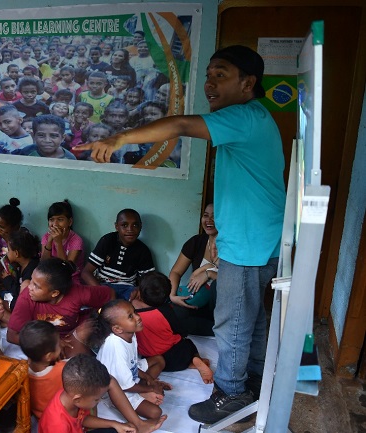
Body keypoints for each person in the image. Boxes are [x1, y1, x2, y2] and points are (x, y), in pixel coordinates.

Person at [77, 45, 285, 424]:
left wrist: (119, 139)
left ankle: (231, 394)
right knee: (251, 319)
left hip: (248, 246)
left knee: (232, 322)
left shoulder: (244, 116)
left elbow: (181, 125)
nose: (209, 84)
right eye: (208, 75)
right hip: (259, 241)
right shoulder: (254, 118)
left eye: (220, 75)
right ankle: (252, 380)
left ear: (248, 83)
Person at [7, 258, 114, 358]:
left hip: (74, 334)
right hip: (44, 339)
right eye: (31, 280)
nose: (29, 287)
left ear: (54, 293)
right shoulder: (27, 297)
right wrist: (50, 343)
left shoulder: (78, 293)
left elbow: (110, 294)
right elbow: (12, 336)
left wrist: (98, 319)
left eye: (36, 286)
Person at [38, 354, 167, 433]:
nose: (99, 401)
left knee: (121, 430)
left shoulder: (72, 398)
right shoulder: (57, 425)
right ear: (77, 399)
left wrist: (115, 424)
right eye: (96, 399)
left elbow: (82, 419)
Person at [89, 300, 167, 422]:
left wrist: (149, 379)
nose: (138, 317)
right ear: (117, 329)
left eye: (134, 312)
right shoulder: (116, 346)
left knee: (158, 360)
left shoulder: (129, 333)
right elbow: (124, 386)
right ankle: (139, 392)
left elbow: (132, 363)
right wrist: (151, 388)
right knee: (155, 413)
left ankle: (141, 389)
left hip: (127, 376)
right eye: (130, 316)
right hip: (115, 391)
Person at [133, 272, 213, 384]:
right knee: (188, 343)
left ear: (140, 293)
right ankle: (195, 359)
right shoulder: (166, 311)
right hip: (176, 357)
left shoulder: (131, 312)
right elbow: (181, 331)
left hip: (152, 360)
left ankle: (192, 363)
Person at [81, 209, 155, 301]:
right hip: (102, 285)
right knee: (84, 299)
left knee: (139, 303)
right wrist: (102, 292)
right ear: (116, 226)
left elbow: (148, 281)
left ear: (141, 227)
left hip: (127, 289)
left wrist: (138, 290)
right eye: (124, 225)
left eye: (135, 225)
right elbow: (86, 272)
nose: (130, 229)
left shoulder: (143, 250)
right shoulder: (107, 241)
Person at [168, 203, 218, 336]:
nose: (209, 220)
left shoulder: (232, 247)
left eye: (214, 216)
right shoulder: (196, 242)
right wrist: (173, 296)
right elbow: (176, 272)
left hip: (218, 308)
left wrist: (208, 274)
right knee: (175, 314)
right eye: (206, 215)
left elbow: (233, 281)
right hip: (195, 301)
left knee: (216, 286)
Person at [41, 200, 83, 283]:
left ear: (70, 222)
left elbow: (66, 270)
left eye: (60, 220)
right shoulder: (46, 237)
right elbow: (43, 264)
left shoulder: (76, 240)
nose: (55, 224)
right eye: (51, 220)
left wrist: (58, 243)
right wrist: (49, 241)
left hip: (70, 279)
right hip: (50, 277)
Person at [2, 229, 39, 306]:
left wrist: (7, 280)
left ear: (16, 253)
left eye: (8, 250)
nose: (7, 253)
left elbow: (21, 292)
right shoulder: (21, 264)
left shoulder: (31, 272)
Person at [0, 197, 24, 280]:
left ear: (15, 227)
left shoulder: (22, 236)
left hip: (16, 271)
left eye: (2, 227)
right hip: (2, 269)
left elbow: (16, 261)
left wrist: (7, 239)